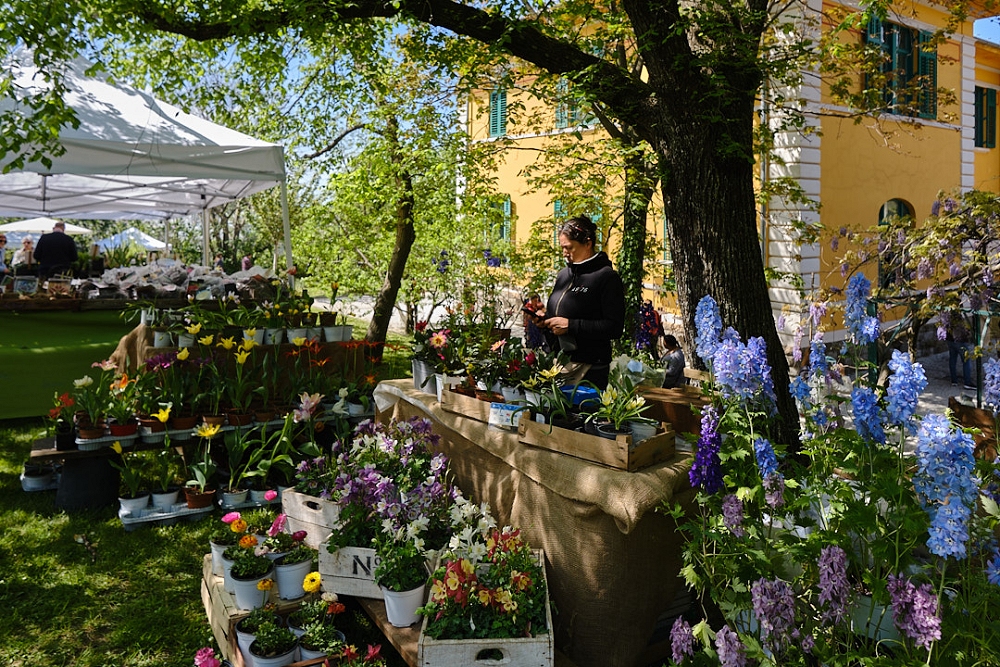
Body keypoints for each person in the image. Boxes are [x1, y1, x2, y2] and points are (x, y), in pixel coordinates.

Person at [535, 215, 625, 389]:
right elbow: (560, 316)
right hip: (557, 363)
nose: (564, 253)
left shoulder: (606, 277)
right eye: (562, 248)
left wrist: (571, 325)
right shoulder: (563, 275)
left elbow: (614, 327)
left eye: (569, 247)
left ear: (588, 243)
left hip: (589, 369)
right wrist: (544, 319)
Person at [946, 310, 976, 390]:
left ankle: (954, 381)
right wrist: (968, 333)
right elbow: (961, 330)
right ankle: (967, 382)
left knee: (952, 359)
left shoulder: (946, 315)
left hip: (949, 340)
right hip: (959, 341)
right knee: (966, 361)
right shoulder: (957, 317)